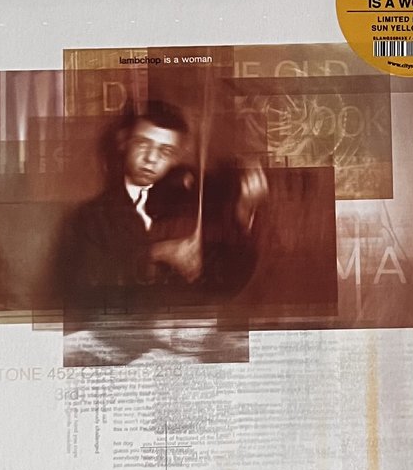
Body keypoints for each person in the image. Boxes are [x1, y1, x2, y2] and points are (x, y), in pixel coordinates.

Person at [50, 100, 267, 315]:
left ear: (176, 158)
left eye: (165, 151)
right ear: (123, 142)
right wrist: (156, 253)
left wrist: (242, 212)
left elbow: (227, 285)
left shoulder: (188, 203)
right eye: (143, 144)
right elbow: (82, 290)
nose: (151, 159)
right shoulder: (92, 216)